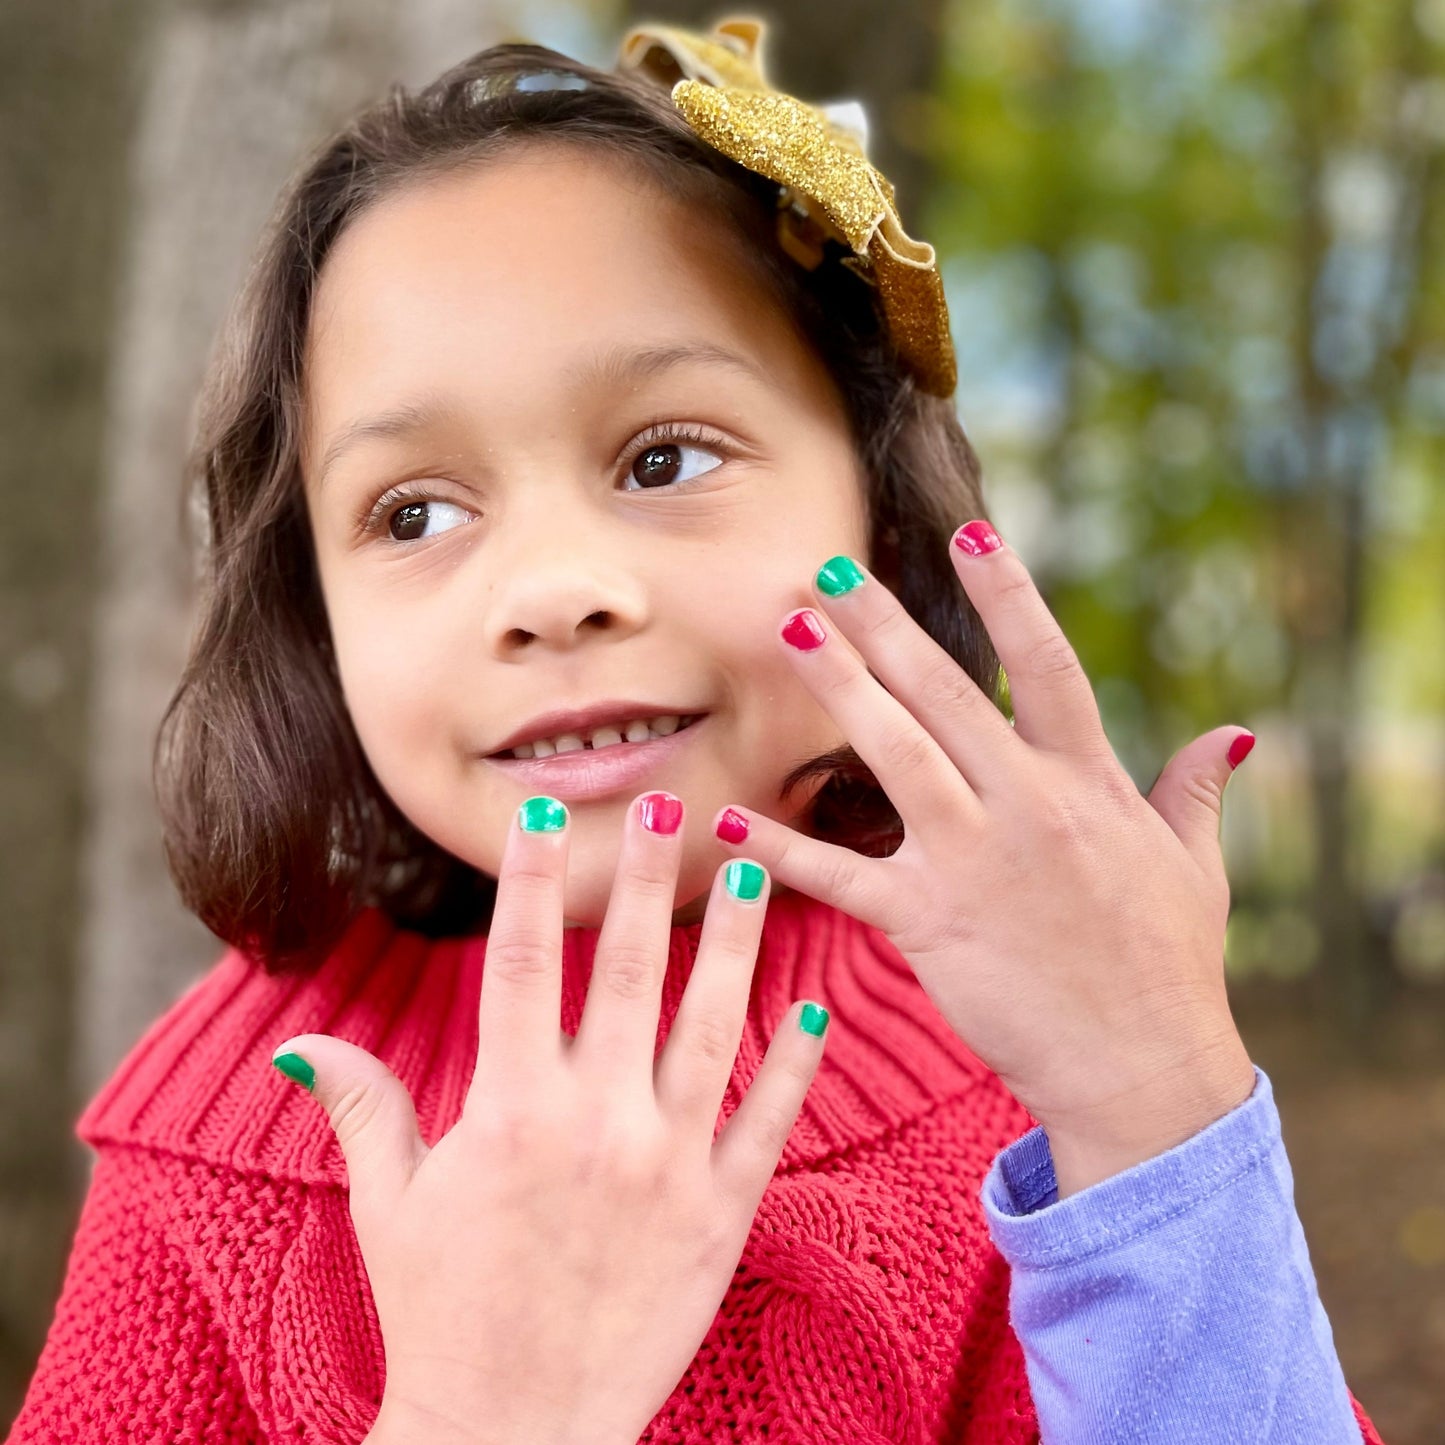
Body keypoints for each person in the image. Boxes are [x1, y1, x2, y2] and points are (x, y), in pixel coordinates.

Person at [7, 17, 1386, 1445]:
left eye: (661, 458)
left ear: (884, 525)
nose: (551, 592)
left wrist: (1154, 1112)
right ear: (313, 624)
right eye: (413, 511)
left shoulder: (1022, 1064)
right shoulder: (216, 1152)